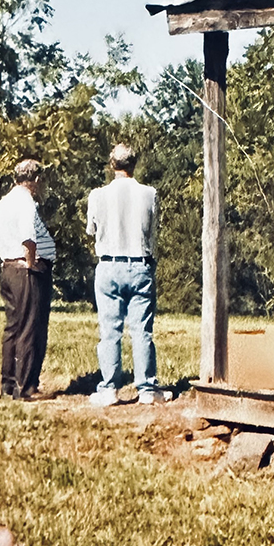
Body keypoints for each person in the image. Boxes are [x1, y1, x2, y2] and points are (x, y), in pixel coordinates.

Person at [86, 143, 172, 406]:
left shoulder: (97, 195)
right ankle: (147, 388)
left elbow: (91, 230)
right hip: (139, 264)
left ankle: (109, 388)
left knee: (109, 330)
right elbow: (152, 231)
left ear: (112, 164)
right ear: (134, 164)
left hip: (109, 264)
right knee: (142, 330)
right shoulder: (149, 193)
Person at [0, 159, 56, 401]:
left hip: (9, 267)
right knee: (30, 327)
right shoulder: (26, 202)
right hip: (25, 270)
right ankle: (26, 386)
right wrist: (30, 263)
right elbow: (29, 236)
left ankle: (8, 384)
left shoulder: (4, 202)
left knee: (13, 327)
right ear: (36, 180)